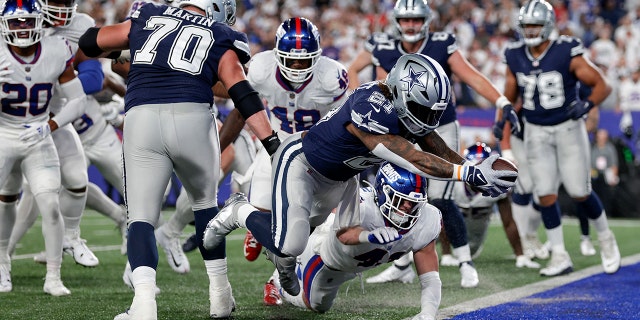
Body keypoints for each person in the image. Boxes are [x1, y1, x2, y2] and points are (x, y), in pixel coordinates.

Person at [204, 53, 517, 303]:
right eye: (422, 108)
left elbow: (437, 147)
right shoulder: (371, 105)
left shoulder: (402, 103)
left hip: (341, 180)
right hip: (303, 164)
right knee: (289, 245)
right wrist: (471, 171)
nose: (427, 118)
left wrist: (474, 175)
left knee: (294, 250)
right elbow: (413, 158)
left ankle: (282, 271)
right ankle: (238, 211)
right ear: (399, 91)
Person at [78, 0, 279, 318]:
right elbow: (242, 92)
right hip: (193, 118)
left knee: (141, 217)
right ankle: (220, 296)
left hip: (142, 117)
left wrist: (125, 51)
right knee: (205, 207)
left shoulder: (147, 15)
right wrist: (271, 143)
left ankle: (144, 305)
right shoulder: (221, 32)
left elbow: (90, 41)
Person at [367, 0, 520, 289]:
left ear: (426, 20)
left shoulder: (441, 43)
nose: (411, 25)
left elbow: (471, 75)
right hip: (405, 126)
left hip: (441, 126)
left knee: (440, 197)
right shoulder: (385, 49)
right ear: (397, 21)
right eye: (406, 20)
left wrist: (500, 100)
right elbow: (381, 91)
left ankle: (464, 262)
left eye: (416, 19)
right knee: (399, 193)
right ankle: (401, 263)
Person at [502, 0, 620, 277]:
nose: (530, 31)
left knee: (580, 191)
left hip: (568, 127)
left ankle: (605, 237)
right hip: (535, 129)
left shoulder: (566, 50)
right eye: (526, 25)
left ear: (548, 25)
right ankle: (559, 254)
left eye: (535, 25)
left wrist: (587, 104)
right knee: (545, 194)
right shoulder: (514, 54)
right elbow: (508, 98)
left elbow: (602, 84)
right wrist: (503, 128)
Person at [238, 16, 349, 304]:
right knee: (263, 208)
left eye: (304, 61)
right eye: (292, 60)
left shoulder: (331, 77)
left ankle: (275, 280)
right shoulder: (260, 68)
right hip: (274, 142)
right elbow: (244, 103)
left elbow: (343, 122)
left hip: (314, 152)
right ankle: (255, 225)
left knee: (303, 225)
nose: (298, 66)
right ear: (277, 55)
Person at [8, 0, 109, 268]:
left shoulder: (79, 26)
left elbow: (93, 77)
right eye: (55, 1)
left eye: (67, 1)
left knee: (76, 179)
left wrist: (58, 83)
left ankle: (72, 237)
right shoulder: (14, 17)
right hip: (9, 118)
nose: (62, 8)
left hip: (51, 114)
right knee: (11, 193)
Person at [0, 0, 89, 295]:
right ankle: (2, 264)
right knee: (4, 202)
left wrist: (49, 126)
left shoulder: (56, 49)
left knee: (50, 205)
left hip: (39, 134)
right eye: (16, 22)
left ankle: (53, 277)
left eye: (28, 22)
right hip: (4, 134)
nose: (23, 29)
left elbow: (78, 101)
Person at [278, 162, 441, 319]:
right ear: (383, 191)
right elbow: (344, 235)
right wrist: (368, 236)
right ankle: (277, 281)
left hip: (354, 265)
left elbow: (430, 277)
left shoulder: (427, 219)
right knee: (316, 305)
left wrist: (428, 313)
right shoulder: (362, 204)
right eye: (401, 199)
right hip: (325, 256)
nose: (407, 206)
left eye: (414, 202)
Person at [453, 142, 539, 269]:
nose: (478, 172)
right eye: (475, 167)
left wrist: (520, 256)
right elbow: (442, 213)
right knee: (441, 211)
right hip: (450, 232)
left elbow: (508, 222)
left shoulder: (495, 188)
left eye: (481, 167)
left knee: (471, 251)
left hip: (475, 236)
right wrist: (446, 255)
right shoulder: (454, 184)